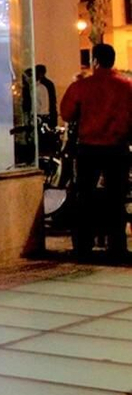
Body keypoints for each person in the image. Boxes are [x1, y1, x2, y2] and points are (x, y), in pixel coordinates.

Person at [58, 43, 132, 261]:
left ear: (95, 60)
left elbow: (67, 113)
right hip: (117, 148)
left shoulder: (83, 86)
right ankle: (116, 245)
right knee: (116, 198)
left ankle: (83, 245)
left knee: (85, 197)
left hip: (89, 148)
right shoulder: (126, 87)